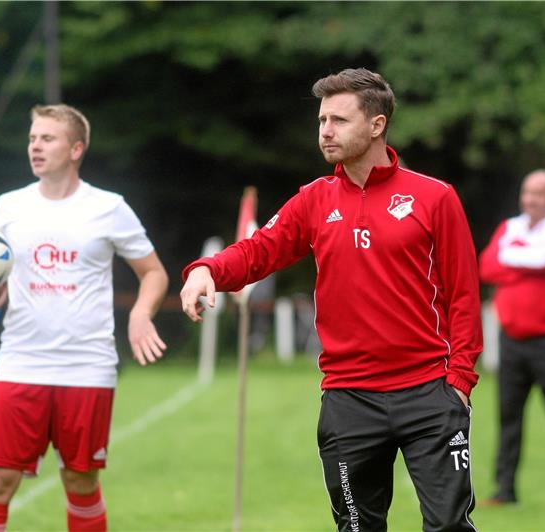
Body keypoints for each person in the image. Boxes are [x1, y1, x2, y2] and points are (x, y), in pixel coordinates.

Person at [181, 68, 482, 531]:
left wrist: (459, 380)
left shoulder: (434, 197)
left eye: (339, 120)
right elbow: (258, 250)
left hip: (428, 393)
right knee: (357, 529)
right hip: (348, 398)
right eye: (322, 120)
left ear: (376, 125)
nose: (325, 131)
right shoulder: (314, 200)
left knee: (448, 526)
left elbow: (463, 295)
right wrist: (207, 270)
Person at [0, 104, 169, 531]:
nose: (36, 146)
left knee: (80, 480)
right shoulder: (8, 207)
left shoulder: (108, 208)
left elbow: (154, 272)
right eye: (33, 138)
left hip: (87, 368)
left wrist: (141, 315)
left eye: (47, 138)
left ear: (75, 149)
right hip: (20, 362)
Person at [478, 169, 545, 513]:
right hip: (512, 340)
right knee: (508, 417)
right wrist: (524, 259)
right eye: (527, 193)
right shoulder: (511, 228)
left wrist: (516, 258)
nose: (531, 200)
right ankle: (504, 488)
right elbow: (487, 267)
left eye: (539, 194)